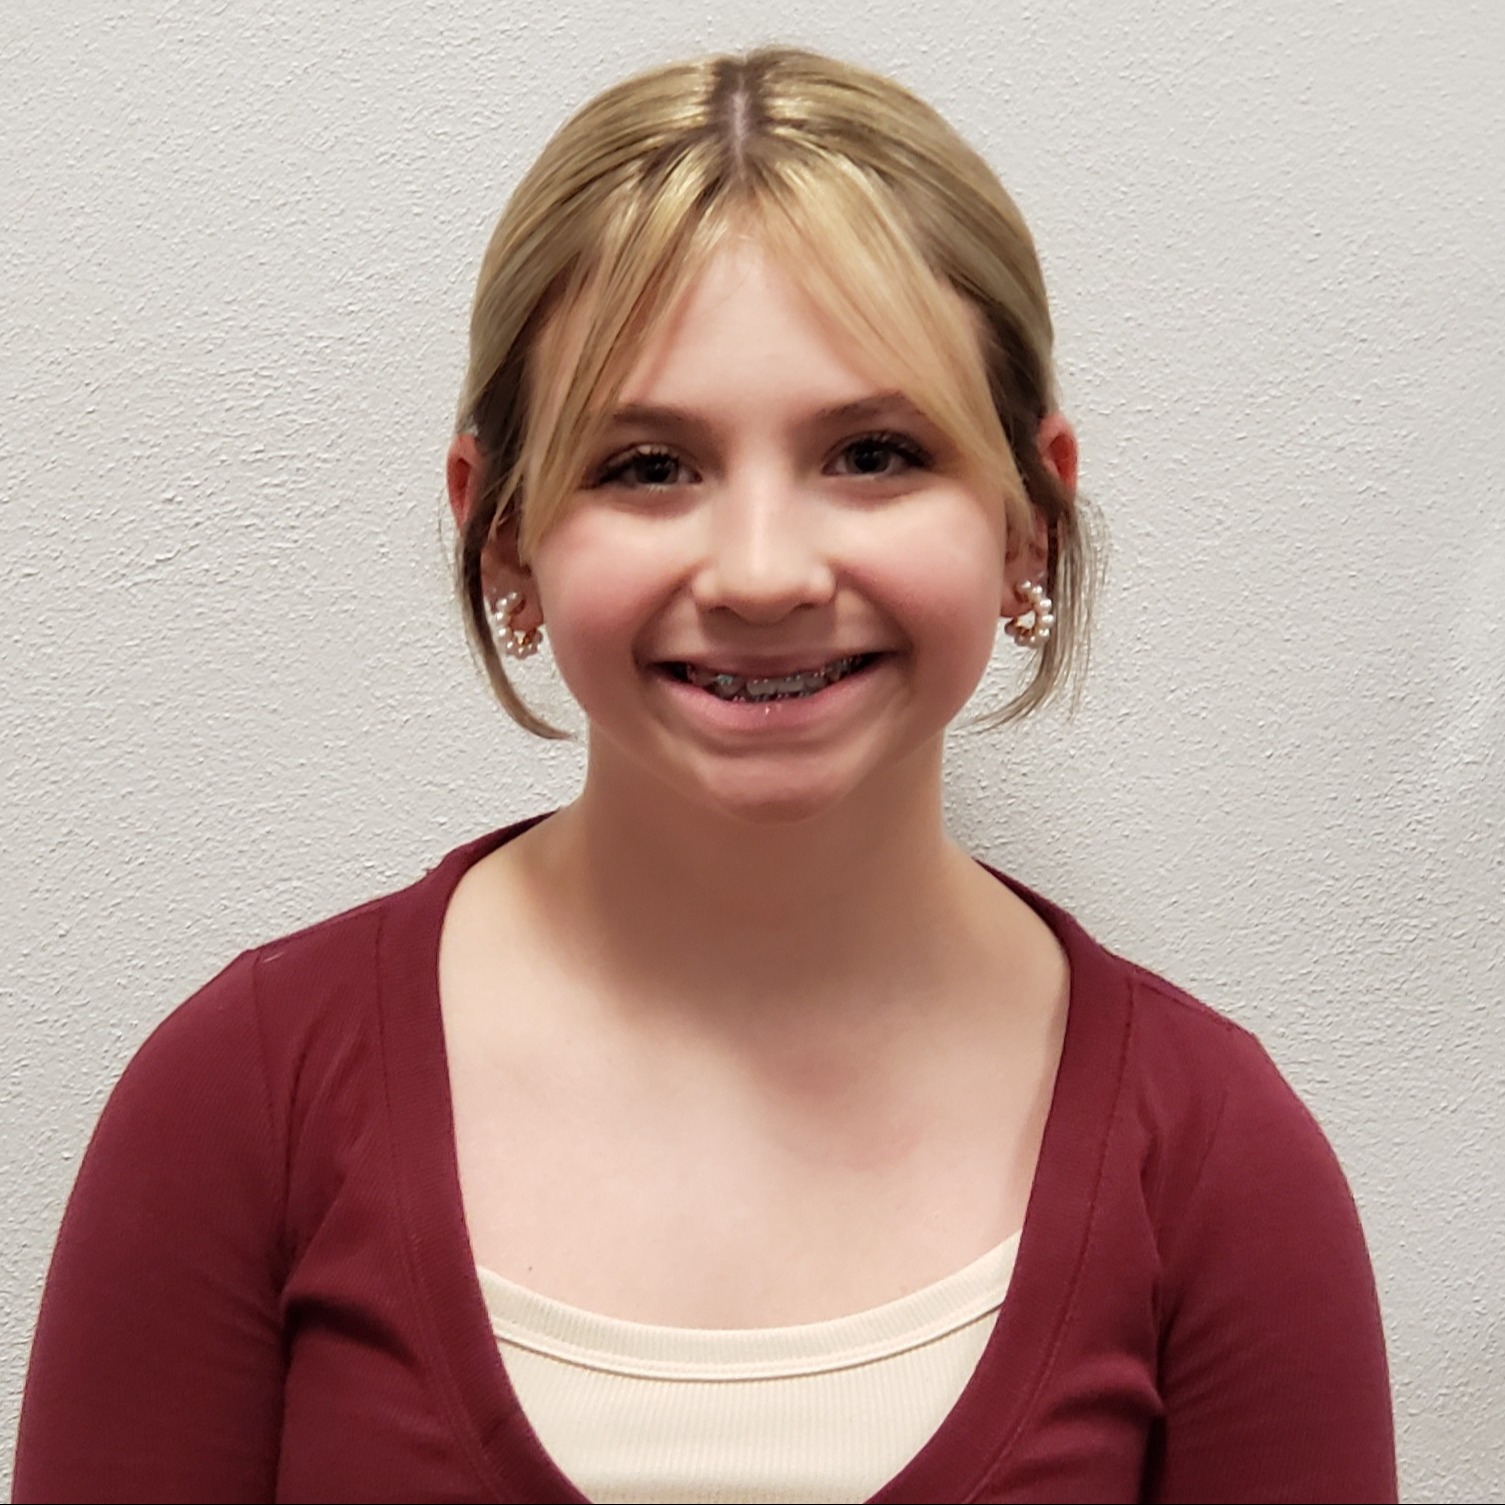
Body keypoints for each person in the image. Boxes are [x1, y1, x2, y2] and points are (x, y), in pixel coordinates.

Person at [13, 45, 1396, 1505]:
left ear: (1025, 520)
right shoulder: (243, 1103)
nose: (758, 573)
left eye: (872, 450)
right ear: (502, 533)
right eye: (647, 466)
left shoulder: (1218, 1164)